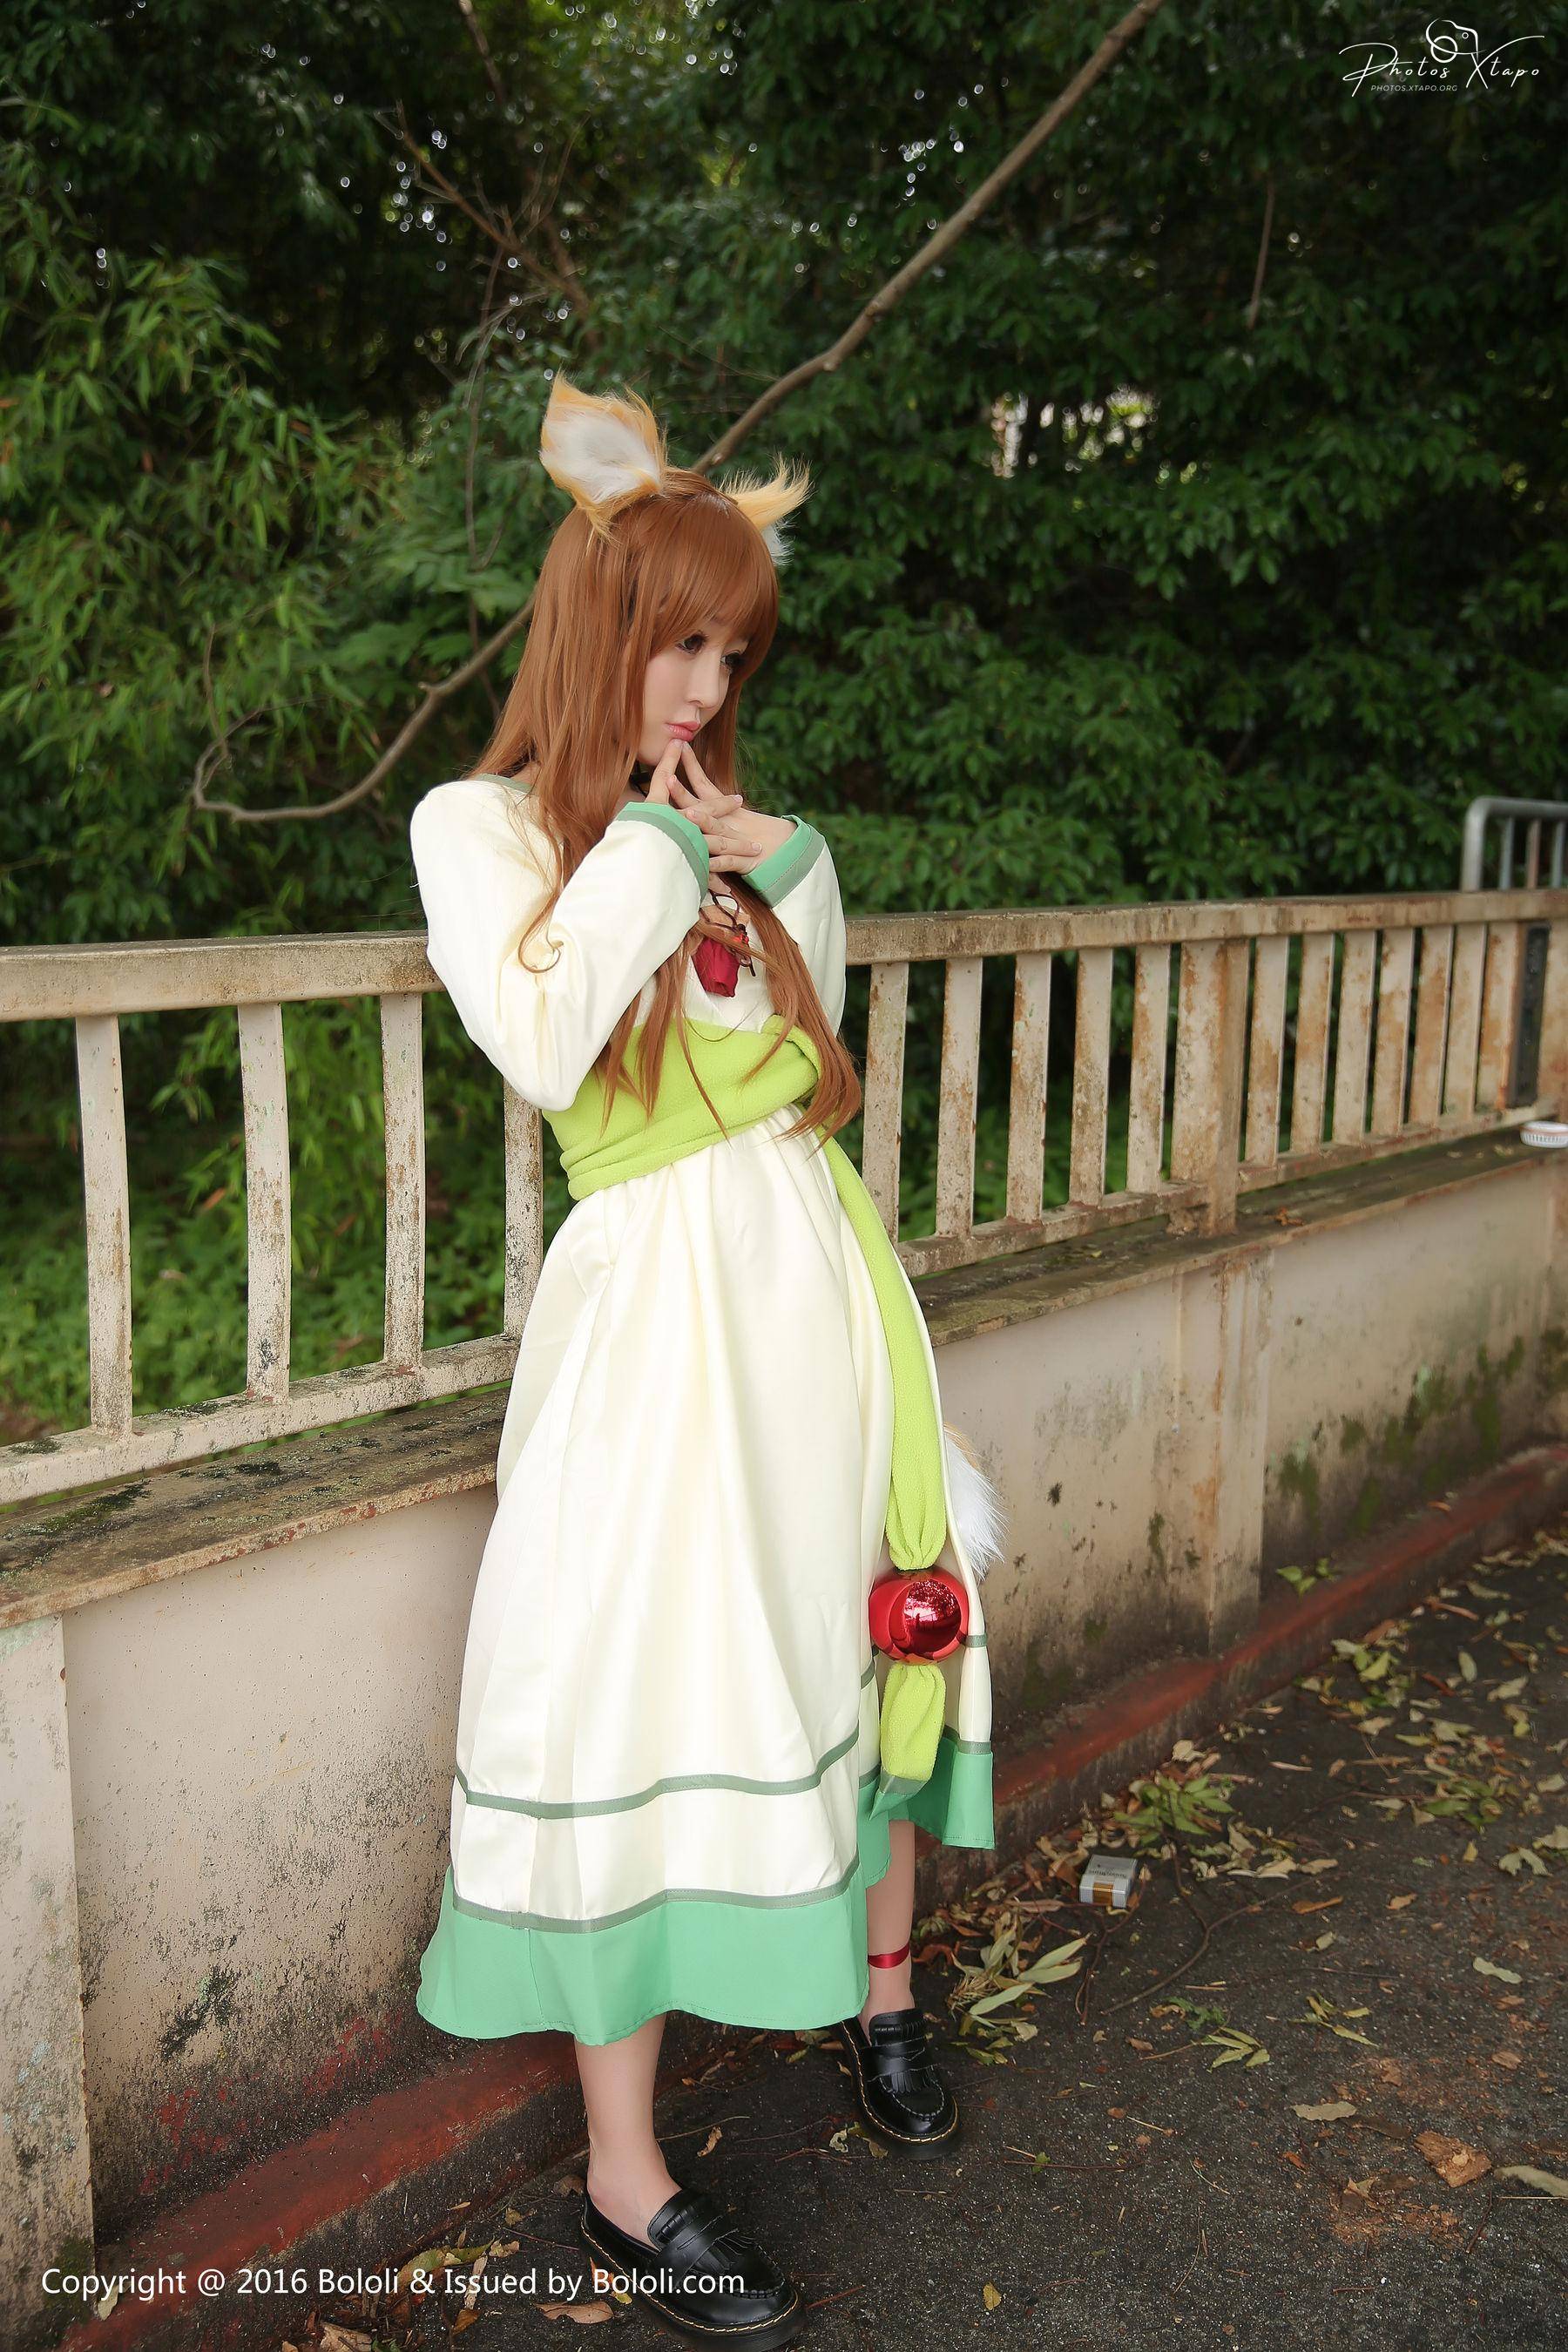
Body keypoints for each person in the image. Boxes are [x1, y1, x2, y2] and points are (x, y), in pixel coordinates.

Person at [409, 373, 1004, 2349]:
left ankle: (887, 1999)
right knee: (643, 1681)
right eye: (681, 640)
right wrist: (668, 857)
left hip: (817, 1294)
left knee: (869, 1625)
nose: (705, 682)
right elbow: (541, 1038)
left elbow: (819, 1070)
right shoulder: (482, 825)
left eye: (733, 651)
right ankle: (624, 2178)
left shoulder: (737, 838)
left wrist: (780, 850)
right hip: (659, 1333)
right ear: (603, 628)